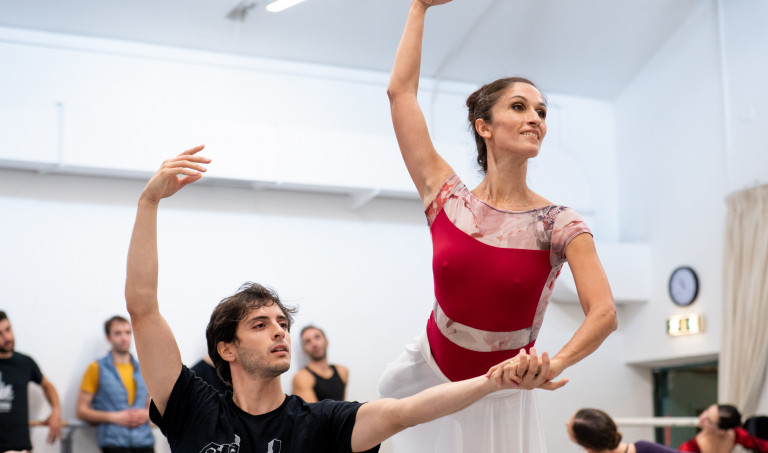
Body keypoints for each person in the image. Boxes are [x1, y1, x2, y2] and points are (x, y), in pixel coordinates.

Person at [126, 146, 554, 453]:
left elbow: (404, 412)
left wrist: (493, 380)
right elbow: (143, 309)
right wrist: (148, 201)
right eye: (260, 325)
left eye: (281, 323)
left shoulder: (321, 423)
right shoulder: (193, 409)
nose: (279, 331)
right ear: (226, 348)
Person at [378, 0, 618, 453]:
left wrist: (552, 364)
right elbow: (401, 94)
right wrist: (420, 5)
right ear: (484, 126)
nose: (536, 118)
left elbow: (604, 314)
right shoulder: (445, 197)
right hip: (431, 372)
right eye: (519, 106)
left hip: (501, 392)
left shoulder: (559, 223)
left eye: (542, 111)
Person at [76, 315, 154, 453]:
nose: (124, 338)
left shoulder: (144, 369)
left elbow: (149, 405)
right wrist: (113, 417)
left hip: (144, 441)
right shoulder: (96, 368)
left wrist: (147, 414)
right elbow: (81, 410)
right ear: (108, 337)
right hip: (113, 442)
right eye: (118, 333)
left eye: (128, 332)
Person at [0, 310, 63, 453]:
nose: (7, 337)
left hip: (20, 447)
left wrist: (56, 411)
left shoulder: (25, 362)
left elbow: (47, 385)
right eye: (0, 334)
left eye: (8, 330)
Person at [678, 404, 768, 453]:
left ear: (721, 431)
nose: (701, 417)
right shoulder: (689, 448)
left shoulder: (736, 435)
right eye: (706, 411)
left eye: (708, 420)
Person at [566, 408, 679, 453]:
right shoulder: (644, 447)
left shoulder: (645, 449)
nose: (566, 423)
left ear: (587, 447)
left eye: (568, 431)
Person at [292, 326, 348, 402]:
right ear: (304, 350)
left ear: (326, 341)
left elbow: (343, 406)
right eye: (308, 341)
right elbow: (312, 412)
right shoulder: (302, 378)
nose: (314, 344)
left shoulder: (342, 371)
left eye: (317, 337)